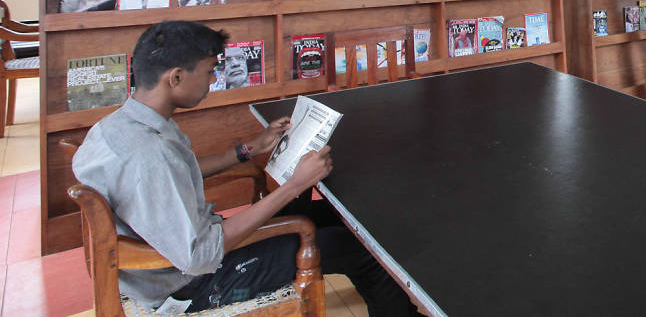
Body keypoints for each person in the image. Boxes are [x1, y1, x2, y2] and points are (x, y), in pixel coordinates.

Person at [72, 21, 417, 315]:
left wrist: (250, 149)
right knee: (363, 253)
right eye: (209, 71)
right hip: (194, 285)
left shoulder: (120, 125)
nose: (212, 79)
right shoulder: (150, 154)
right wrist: (294, 186)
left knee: (337, 218)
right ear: (175, 77)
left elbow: (179, 172)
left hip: (176, 258)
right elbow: (201, 256)